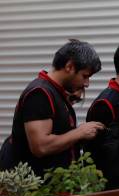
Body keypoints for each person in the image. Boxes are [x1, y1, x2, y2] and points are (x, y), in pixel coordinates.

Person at [6, 40, 104, 176]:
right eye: (85, 76)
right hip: (37, 191)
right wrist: (79, 133)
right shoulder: (40, 93)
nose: (86, 84)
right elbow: (41, 146)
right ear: (69, 66)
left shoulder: (55, 92)